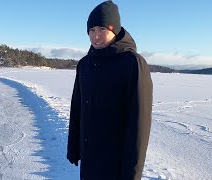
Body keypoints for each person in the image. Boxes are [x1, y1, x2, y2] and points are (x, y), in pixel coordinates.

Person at [67, 1, 153, 179]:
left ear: (114, 30)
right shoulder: (85, 64)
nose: (95, 36)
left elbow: (139, 125)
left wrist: (132, 174)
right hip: (89, 159)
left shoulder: (132, 63)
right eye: (91, 30)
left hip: (115, 164)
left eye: (101, 30)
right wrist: (73, 146)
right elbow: (77, 107)